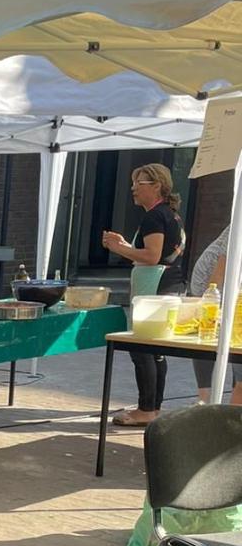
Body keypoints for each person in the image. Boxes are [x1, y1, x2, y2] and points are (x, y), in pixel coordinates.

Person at [103, 163, 185, 427]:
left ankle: (146, 409)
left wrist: (119, 249)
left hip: (156, 287)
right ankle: (153, 407)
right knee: (155, 350)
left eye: (139, 183)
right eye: (133, 183)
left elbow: (151, 256)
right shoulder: (170, 214)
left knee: (142, 348)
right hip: (169, 285)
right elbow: (157, 254)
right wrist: (126, 245)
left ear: (157, 186)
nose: (133, 189)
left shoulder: (154, 217)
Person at [187, 225, 242, 404]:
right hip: (212, 286)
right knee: (207, 337)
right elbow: (223, 262)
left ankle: (232, 399)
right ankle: (205, 400)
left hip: (233, 289)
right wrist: (211, 300)